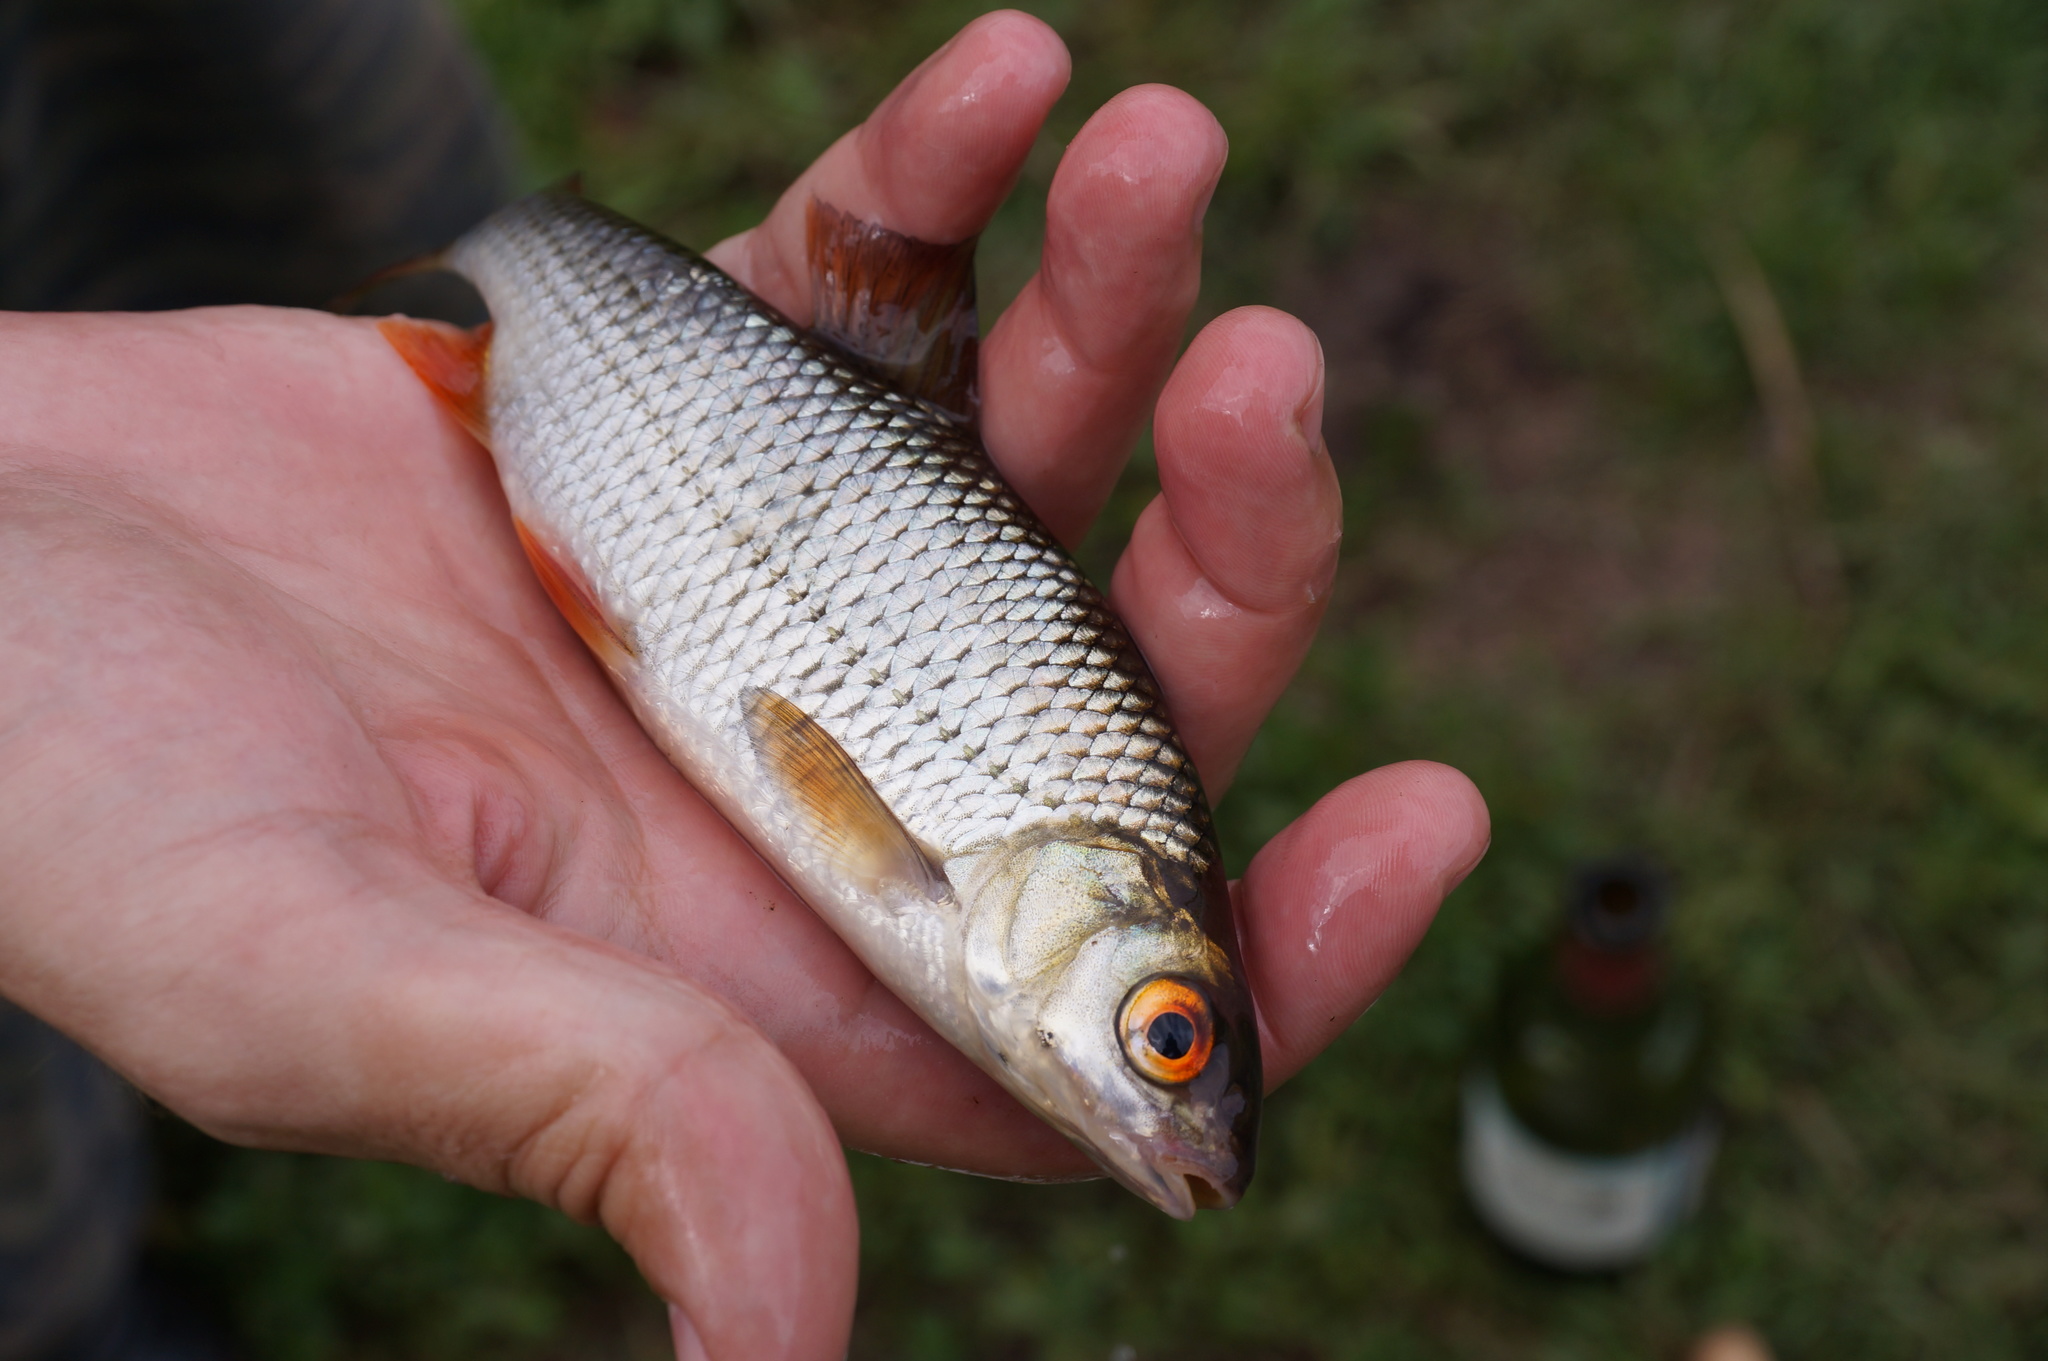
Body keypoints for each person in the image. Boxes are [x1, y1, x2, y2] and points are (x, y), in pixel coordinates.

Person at [0, 8, 1490, 1361]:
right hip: (660, 418)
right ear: (1099, 899)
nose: (1163, 1082)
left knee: (274, 125)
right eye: (1167, 1032)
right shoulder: (947, 875)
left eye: (1171, 1039)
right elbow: (800, 751)